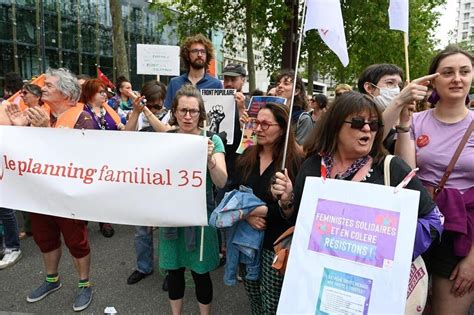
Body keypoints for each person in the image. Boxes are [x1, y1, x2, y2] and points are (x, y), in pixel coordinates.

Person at [272, 91, 443, 311]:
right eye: (358, 122)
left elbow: (434, 220)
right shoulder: (313, 166)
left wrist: (394, 247)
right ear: (335, 126)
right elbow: (299, 223)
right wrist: (287, 201)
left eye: (373, 124)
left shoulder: (391, 168)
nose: (367, 129)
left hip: (374, 292)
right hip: (320, 288)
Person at [395, 46, 474, 314]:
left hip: (461, 234)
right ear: (432, 81)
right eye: (448, 72)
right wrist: (402, 119)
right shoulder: (416, 121)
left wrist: (473, 260)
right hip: (418, 227)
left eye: (465, 72)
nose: (457, 79)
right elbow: (406, 172)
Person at [22, 68, 94, 312]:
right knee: (44, 237)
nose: (43, 88)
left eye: (50, 85)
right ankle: (52, 280)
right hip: (40, 191)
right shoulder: (38, 114)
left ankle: (85, 284)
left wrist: (46, 131)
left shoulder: (83, 119)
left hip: (68, 193)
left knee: (76, 240)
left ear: (67, 94)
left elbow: (85, 158)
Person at [159, 85, 227, 315]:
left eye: (193, 111)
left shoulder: (212, 140)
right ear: (175, 112)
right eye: (183, 110)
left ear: (201, 113)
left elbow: (221, 181)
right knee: (174, 271)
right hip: (171, 216)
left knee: (201, 273)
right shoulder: (165, 140)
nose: (188, 116)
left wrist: (210, 160)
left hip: (200, 217)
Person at [230, 102, 302, 314]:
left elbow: (293, 212)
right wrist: (247, 216)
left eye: (265, 124)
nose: (258, 128)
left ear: (282, 128)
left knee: (272, 302)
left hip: (275, 244)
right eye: (256, 123)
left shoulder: (295, 162)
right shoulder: (246, 156)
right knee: (253, 296)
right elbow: (231, 193)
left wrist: (253, 210)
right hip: (247, 241)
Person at [126, 80, 168, 285]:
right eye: (148, 104)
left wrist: (148, 112)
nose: (152, 109)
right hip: (142, 180)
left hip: (166, 181)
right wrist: (135, 112)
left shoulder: (170, 115)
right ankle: (144, 267)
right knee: (142, 230)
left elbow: (167, 133)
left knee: (168, 229)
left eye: (156, 105)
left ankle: (171, 271)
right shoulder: (137, 116)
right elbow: (125, 137)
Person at [80, 78, 125, 238]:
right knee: (87, 191)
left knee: (104, 191)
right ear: (90, 94)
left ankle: (104, 221)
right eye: (100, 92)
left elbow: (121, 125)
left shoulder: (110, 110)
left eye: (105, 91)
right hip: (87, 159)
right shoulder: (80, 111)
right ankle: (83, 220)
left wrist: (121, 126)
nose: (104, 94)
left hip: (108, 159)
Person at [164, 34, 223, 110]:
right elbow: (168, 112)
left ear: (207, 55)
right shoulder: (174, 83)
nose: (199, 55)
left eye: (203, 51)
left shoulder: (216, 84)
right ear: (187, 55)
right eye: (195, 51)